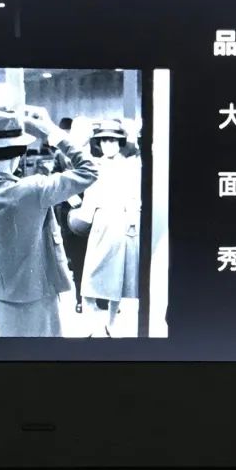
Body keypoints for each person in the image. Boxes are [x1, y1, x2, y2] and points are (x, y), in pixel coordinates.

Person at [0, 106, 98, 337]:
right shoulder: (33, 190)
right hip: (36, 291)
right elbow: (89, 170)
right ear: (17, 153)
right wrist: (52, 131)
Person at [80, 118, 141, 337]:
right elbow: (89, 195)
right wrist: (85, 216)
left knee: (117, 279)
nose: (108, 145)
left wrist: (132, 222)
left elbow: (134, 196)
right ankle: (90, 322)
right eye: (104, 141)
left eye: (113, 140)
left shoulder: (131, 166)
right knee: (90, 278)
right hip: (99, 222)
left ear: (120, 143)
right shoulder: (95, 165)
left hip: (121, 223)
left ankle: (112, 322)